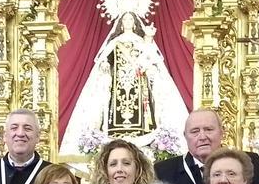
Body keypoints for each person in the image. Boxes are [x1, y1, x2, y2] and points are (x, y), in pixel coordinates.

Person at [59, 8, 190, 153]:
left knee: (141, 109)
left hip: (138, 82)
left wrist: (149, 38)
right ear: (121, 24)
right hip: (118, 83)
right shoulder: (115, 42)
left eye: (130, 19)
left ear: (134, 23)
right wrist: (104, 65)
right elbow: (104, 59)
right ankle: (114, 132)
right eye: (125, 19)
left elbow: (151, 57)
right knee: (116, 107)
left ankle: (144, 131)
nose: (128, 22)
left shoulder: (141, 41)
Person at [155, 110, 259, 184]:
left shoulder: (248, 161)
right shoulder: (165, 170)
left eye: (208, 129)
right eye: (195, 131)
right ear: (185, 136)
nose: (202, 137)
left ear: (222, 132)